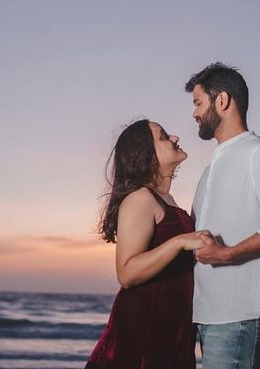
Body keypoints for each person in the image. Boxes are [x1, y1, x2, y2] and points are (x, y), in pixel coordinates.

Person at [185, 62, 260, 369]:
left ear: (222, 101)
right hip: (207, 314)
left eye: (198, 103)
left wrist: (227, 254)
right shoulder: (210, 169)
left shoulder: (259, 152)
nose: (194, 113)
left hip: (239, 313)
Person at [85, 119, 208, 369]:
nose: (175, 137)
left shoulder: (168, 200)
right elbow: (126, 273)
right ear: (147, 155)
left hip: (172, 330)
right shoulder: (140, 198)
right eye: (163, 136)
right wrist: (178, 242)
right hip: (142, 330)